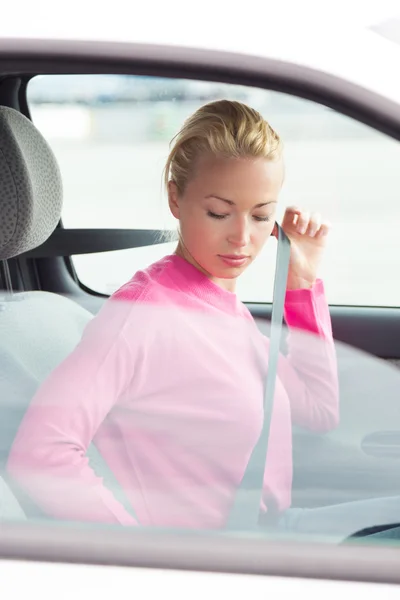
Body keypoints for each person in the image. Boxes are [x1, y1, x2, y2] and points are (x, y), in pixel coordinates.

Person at [7, 99, 345, 535]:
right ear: (175, 198)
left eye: (261, 215)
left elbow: (320, 410)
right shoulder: (142, 314)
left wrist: (301, 280)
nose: (243, 237)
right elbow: (41, 452)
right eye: (219, 213)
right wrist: (144, 555)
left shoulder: (228, 311)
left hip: (272, 536)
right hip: (213, 558)